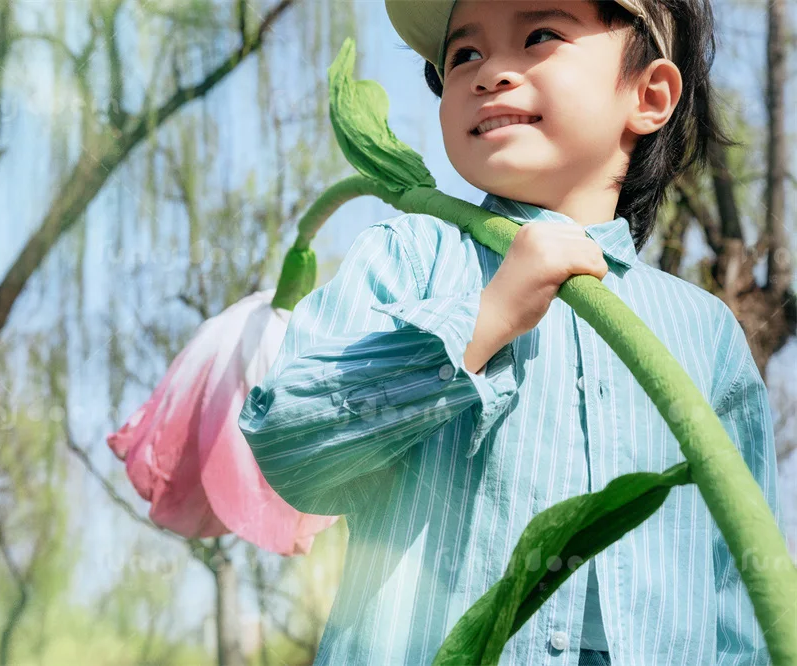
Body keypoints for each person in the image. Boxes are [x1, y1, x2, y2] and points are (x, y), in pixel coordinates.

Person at [237, 1, 784, 664]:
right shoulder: (408, 259)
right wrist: (482, 321)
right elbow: (292, 444)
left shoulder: (705, 335)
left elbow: (741, 587)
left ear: (650, 95)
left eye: (538, 36)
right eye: (462, 54)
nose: (490, 72)